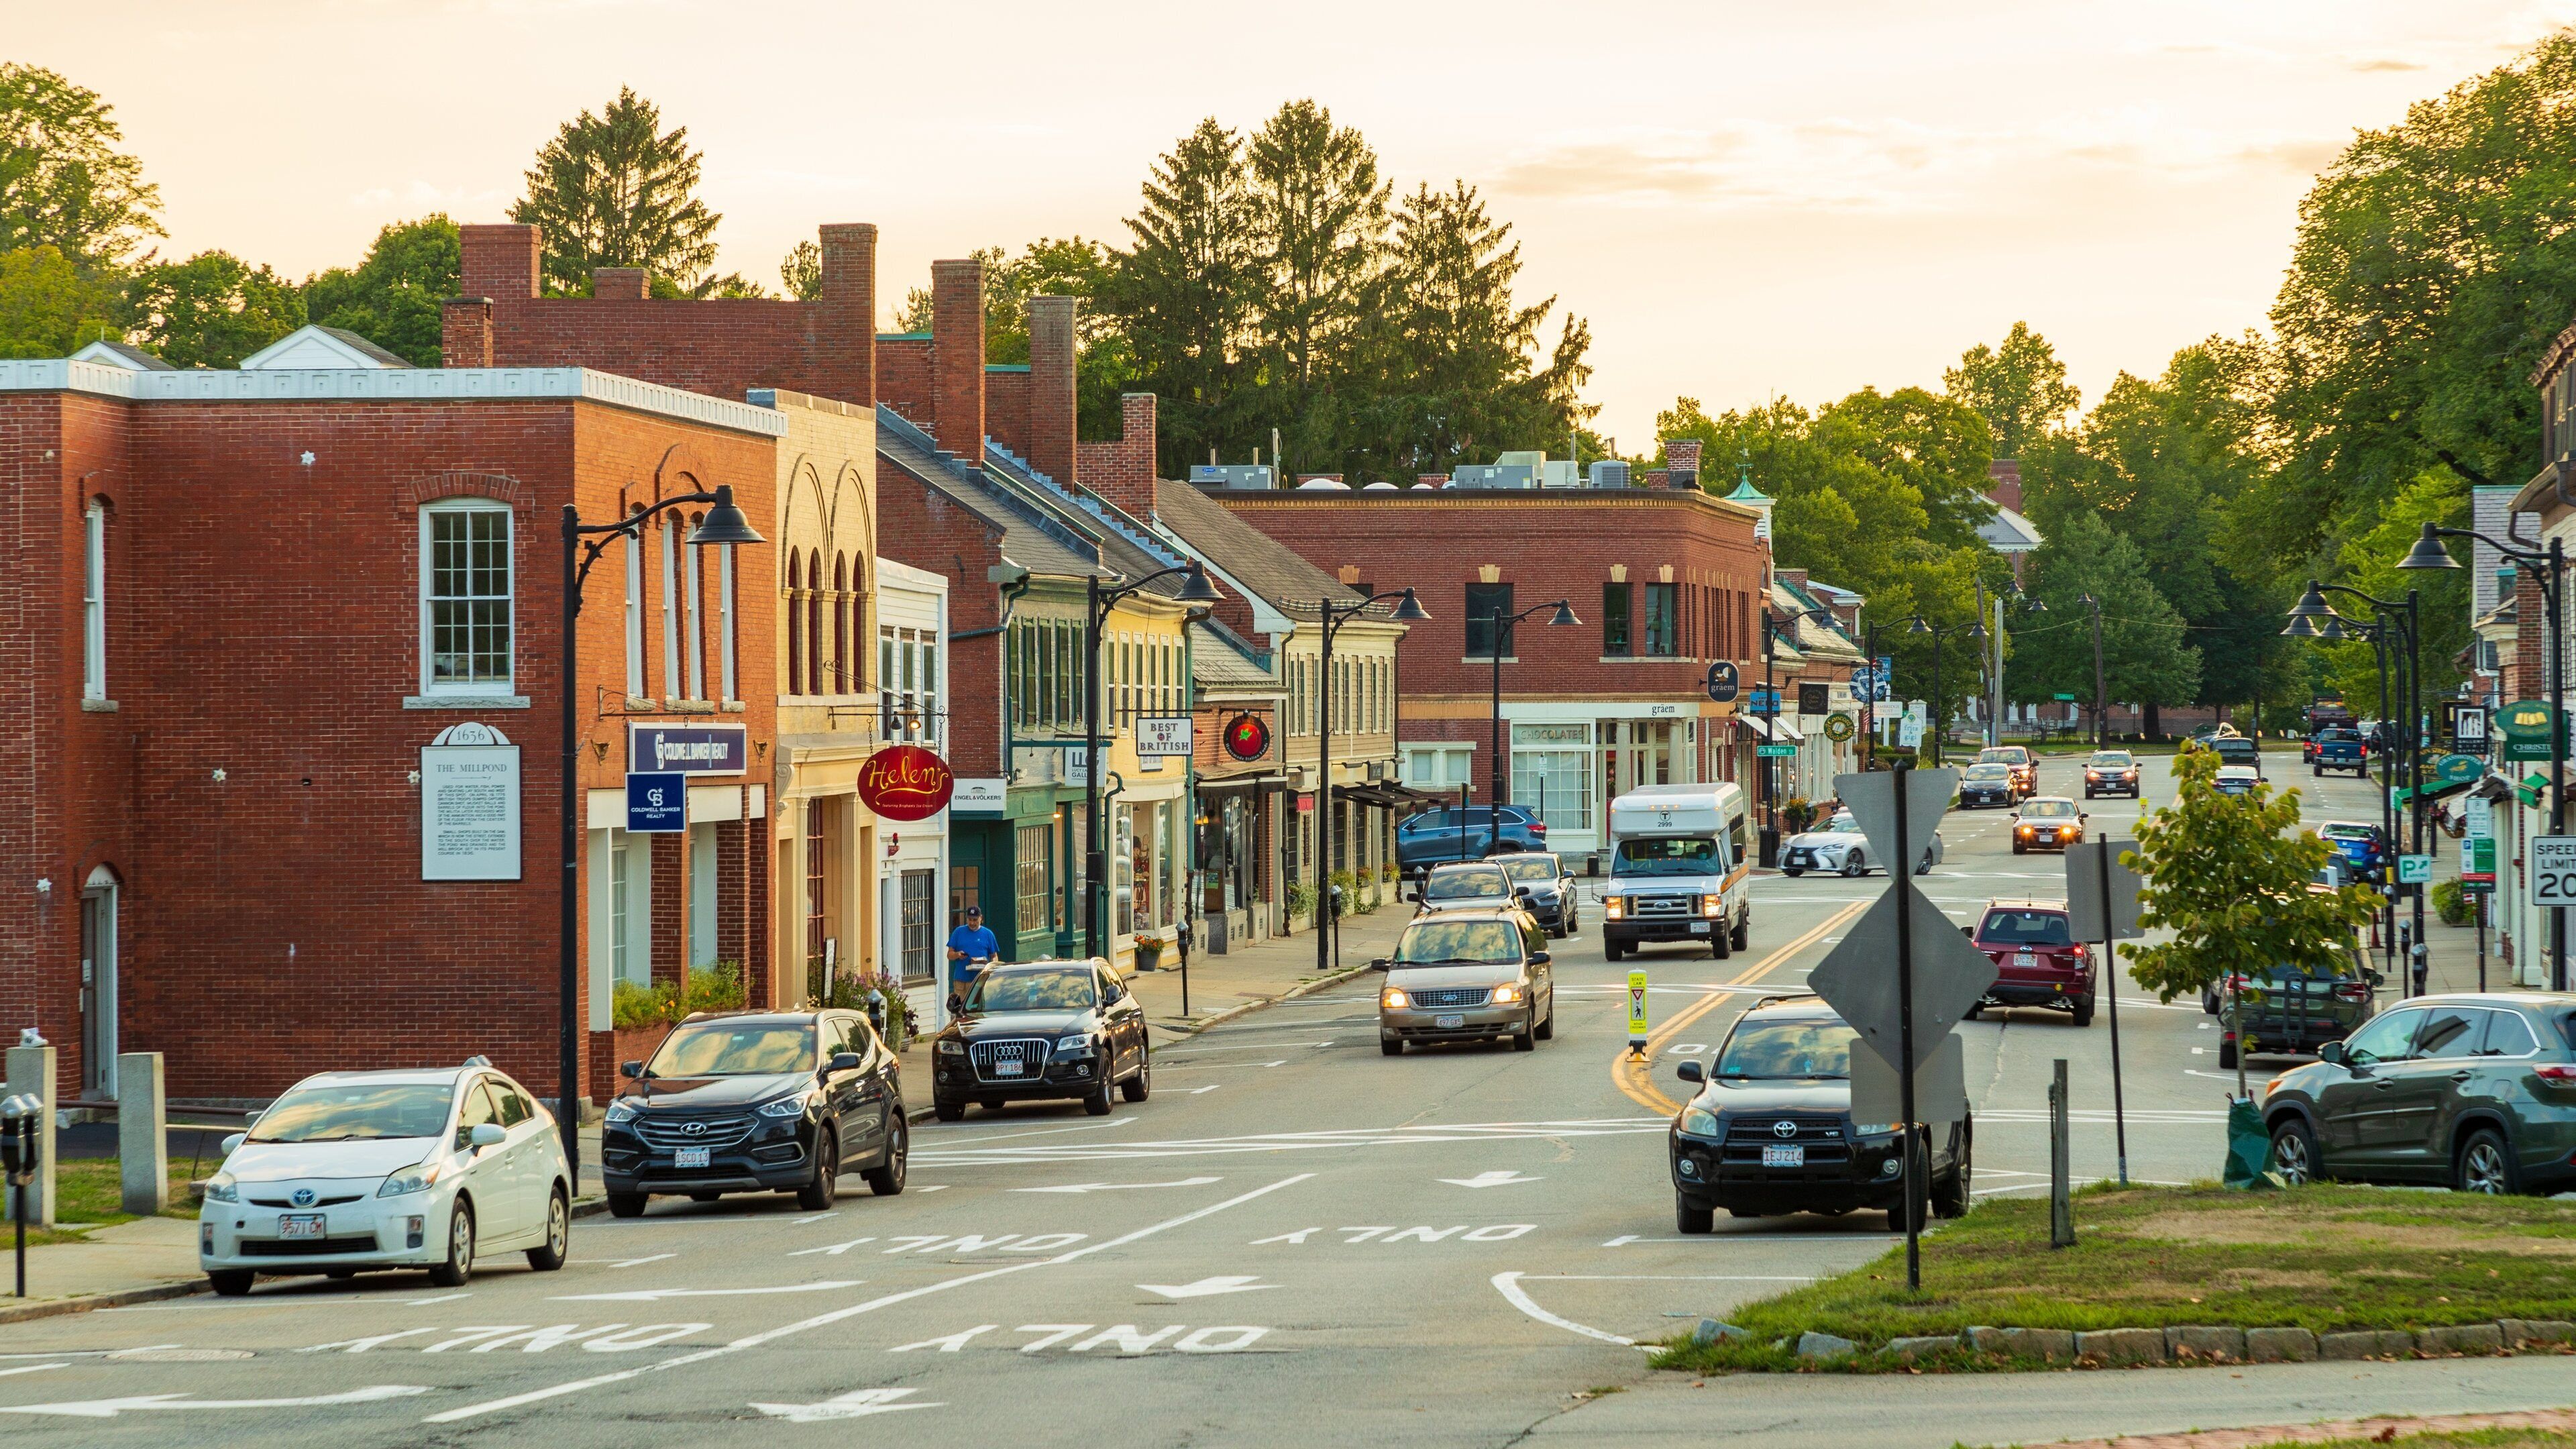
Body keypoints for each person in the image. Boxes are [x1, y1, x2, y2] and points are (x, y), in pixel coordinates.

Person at [945, 906, 1001, 1010]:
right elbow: (949, 955)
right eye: (970, 920)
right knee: (960, 1009)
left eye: (975, 920)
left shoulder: (988, 934)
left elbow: (994, 956)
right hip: (962, 980)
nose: (972, 923)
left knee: (977, 1009)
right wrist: (957, 955)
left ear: (981, 918)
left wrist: (990, 967)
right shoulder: (958, 932)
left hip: (979, 979)